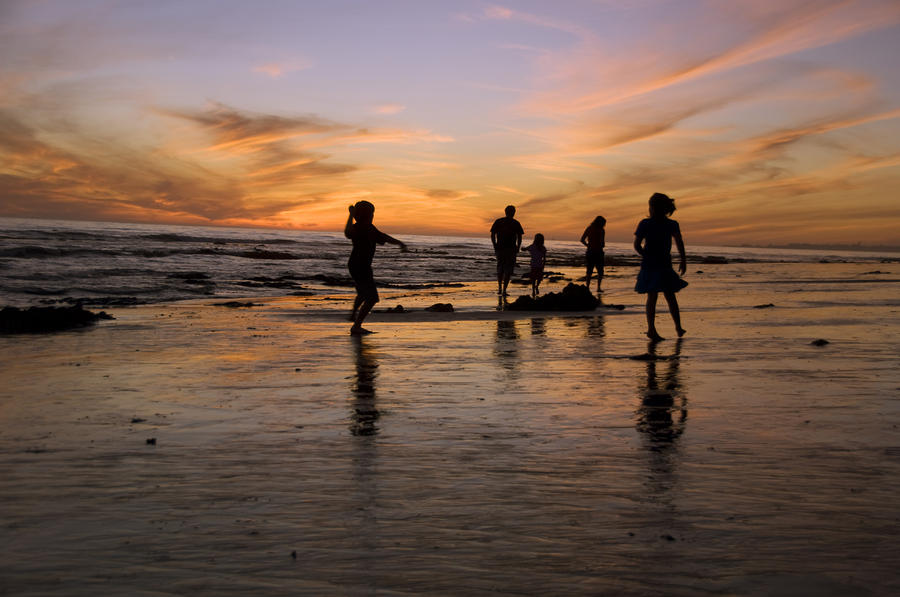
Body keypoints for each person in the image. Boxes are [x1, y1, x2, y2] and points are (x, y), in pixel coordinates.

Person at [344, 201, 407, 335]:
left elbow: (382, 236)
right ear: (368, 215)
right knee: (372, 298)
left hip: (356, 265)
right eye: (372, 213)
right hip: (361, 266)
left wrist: (399, 243)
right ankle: (356, 326)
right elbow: (348, 232)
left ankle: (353, 315)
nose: (373, 215)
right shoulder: (363, 227)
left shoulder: (367, 227)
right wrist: (350, 214)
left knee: (362, 293)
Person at [633, 193, 687, 341]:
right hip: (663, 264)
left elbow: (637, 245)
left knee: (653, 297)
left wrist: (645, 255)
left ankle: (652, 329)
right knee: (670, 296)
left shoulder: (645, 223)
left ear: (652, 208)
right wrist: (683, 259)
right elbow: (679, 242)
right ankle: (677, 327)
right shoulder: (671, 224)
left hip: (653, 264)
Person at [490, 205, 524, 296]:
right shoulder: (515, 223)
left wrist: (495, 245)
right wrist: (518, 247)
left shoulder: (500, 221)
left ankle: (501, 289)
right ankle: (503, 289)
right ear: (513, 213)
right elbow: (519, 236)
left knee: (501, 268)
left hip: (503, 248)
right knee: (507, 269)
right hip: (509, 249)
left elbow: (493, 234)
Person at [580, 215, 606, 293]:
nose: (604, 225)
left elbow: (582, 239)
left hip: (590, 251)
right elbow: (602, 243)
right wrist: (601, 244)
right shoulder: (601, 230)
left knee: (589, 271)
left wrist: (588, 245)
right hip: (598, 252)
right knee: (600, 271)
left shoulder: (589, 228)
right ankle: (598, 287)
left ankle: (588, 287)